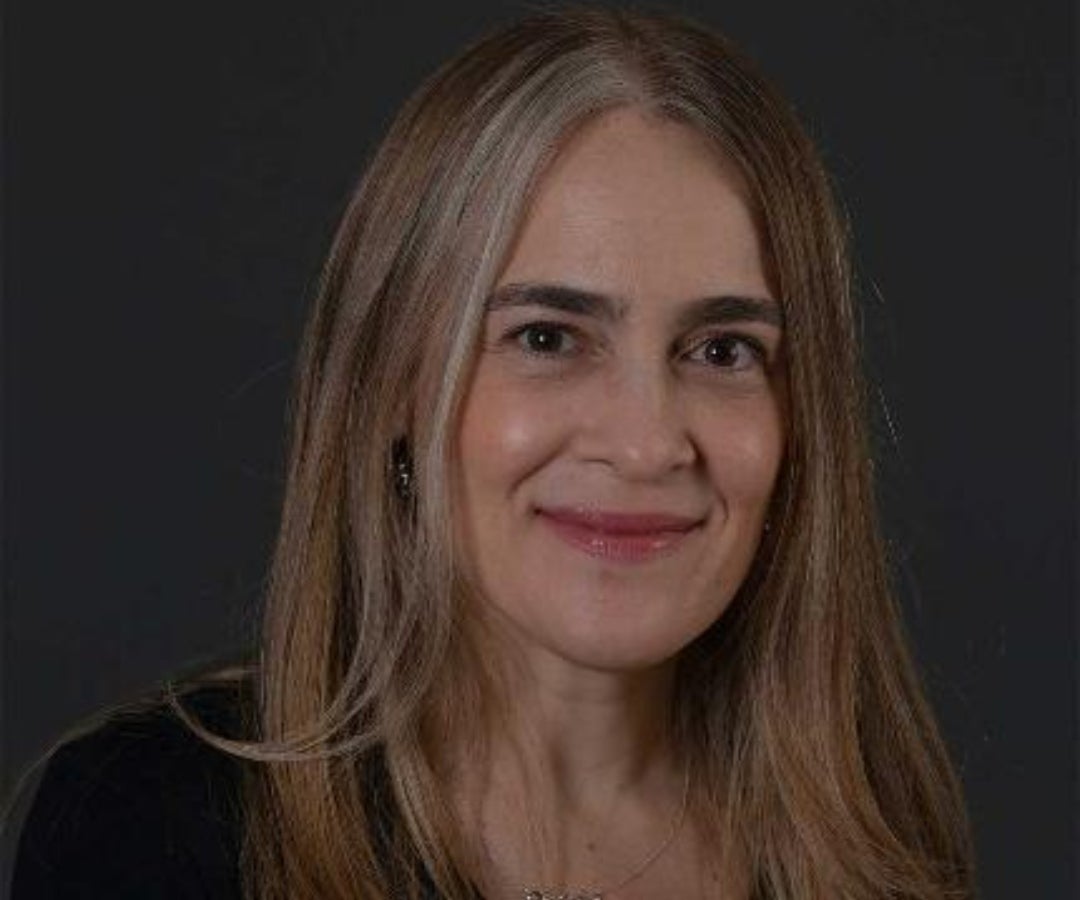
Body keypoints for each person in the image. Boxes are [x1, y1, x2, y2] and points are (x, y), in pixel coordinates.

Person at [12, 7, 976, 899]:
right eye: (547, 337)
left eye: (723, 351)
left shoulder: (877, 852)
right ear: (394, 381)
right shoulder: (157, 829)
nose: (646, 443)